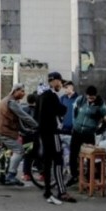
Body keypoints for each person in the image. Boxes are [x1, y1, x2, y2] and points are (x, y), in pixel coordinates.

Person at [35, 72, 77, 204]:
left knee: (48, 163)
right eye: (60, 82)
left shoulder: (40, 95)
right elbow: (61, 110)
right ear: (55, 81)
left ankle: (47, 191)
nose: (61, 85)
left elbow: (36, 115)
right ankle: (62, 191)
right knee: (58, 161)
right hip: (52, 133)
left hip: (43, 134)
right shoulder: (51, 95)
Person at [0, 83, 38, 186]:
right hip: (2, 131)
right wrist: (37, 125)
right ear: (15, 91)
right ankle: (11, 175)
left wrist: (26, 130)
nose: (24, 93)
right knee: (19, 150)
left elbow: (18, 120)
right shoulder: (11, 102)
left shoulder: (8, 100)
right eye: (22, 91)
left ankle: (2, 178)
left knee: (4, 153)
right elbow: (24, 116)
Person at [66, 86, 106, 187]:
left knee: (90, 157)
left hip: (89, 134)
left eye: (92, 98)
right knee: (73, 154)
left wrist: (99, 131)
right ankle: (74, 175)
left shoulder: (101, 105)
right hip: (77, 132)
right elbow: (74, 111)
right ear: (86, 95)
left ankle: (90, 178)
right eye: (89, 97)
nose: (90, 99)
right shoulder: (80, 100)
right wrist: (75, 123)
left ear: (96, 96)